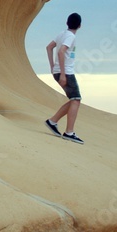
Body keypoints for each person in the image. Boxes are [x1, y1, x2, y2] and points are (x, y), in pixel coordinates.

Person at [44, 13, 84, 144]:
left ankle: (52, 121)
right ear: (79, 25)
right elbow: (61, 51)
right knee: (76, 100)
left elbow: (49, 47)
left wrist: (52, 67)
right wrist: (61, 73)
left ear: (67, 23)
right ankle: (69, 132)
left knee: (74, 100)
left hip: (60, 71)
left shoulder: (62, 34)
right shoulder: (70, 36)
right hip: (65, 72)